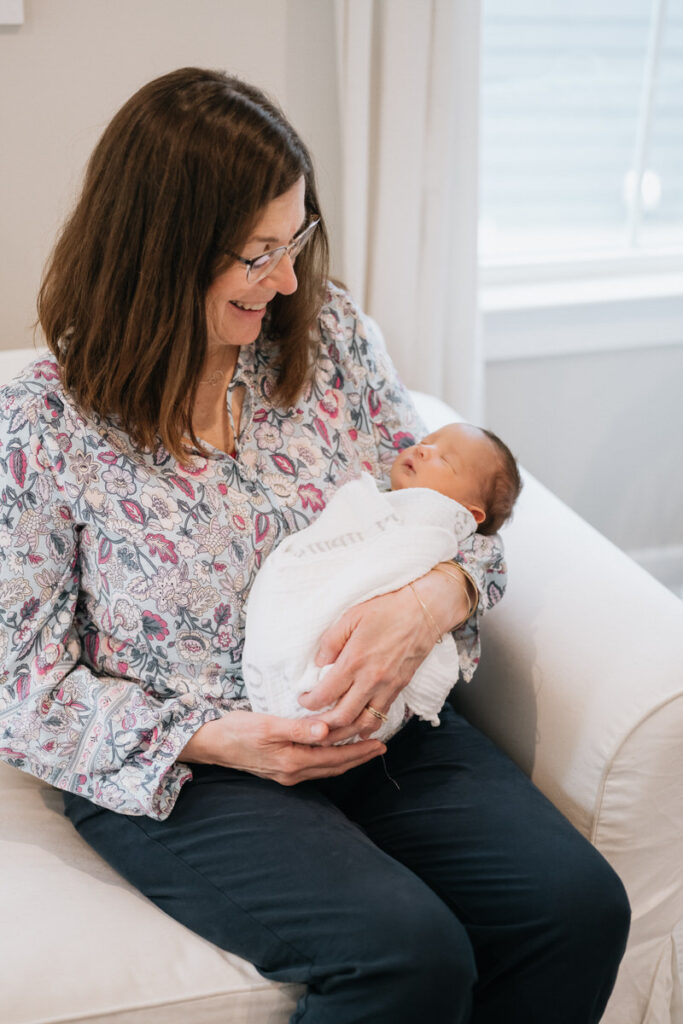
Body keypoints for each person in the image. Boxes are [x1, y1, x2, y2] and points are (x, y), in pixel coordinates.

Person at [0, 68, 629, 1023]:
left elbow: (461, 520)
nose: (289, 278)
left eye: (294, 241)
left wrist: (432, 600)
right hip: (195, 762)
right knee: (404, 956)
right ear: (159, 253)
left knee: (575, 909)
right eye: (257, 255)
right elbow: (22, 686)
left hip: (379, 722)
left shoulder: (328, 338)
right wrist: (220, 740)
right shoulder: (43, 426)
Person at [242, 423, 522, 743]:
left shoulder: (436, 532)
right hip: (243, 719)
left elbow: (487, 555)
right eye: (425, 443)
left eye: (445, 460)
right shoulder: (368, 500)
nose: (422, 449)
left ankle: (321, 687)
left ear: (468, 514)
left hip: (386, 723)